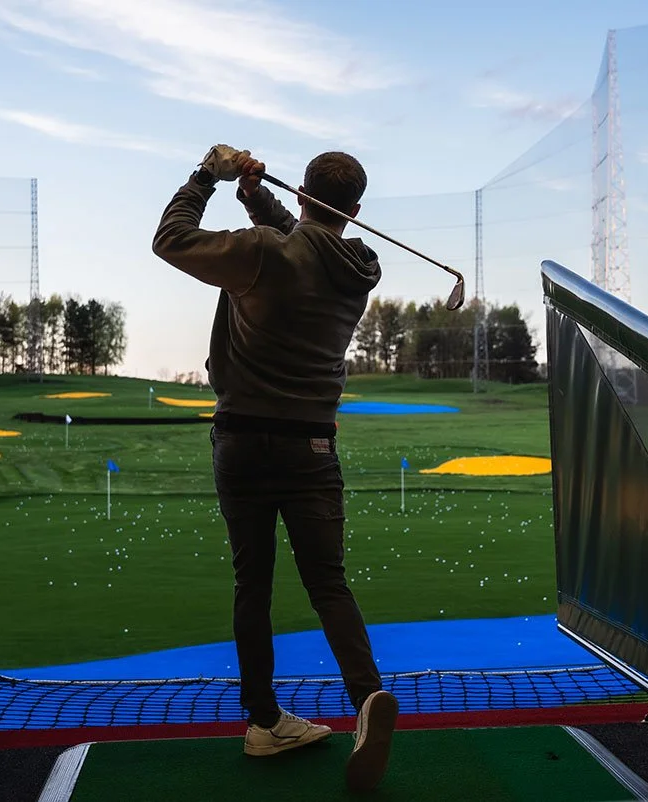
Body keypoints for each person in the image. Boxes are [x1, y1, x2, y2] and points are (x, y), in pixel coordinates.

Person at [152, 145, 399, 792]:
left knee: (252, 584)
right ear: (355, 210)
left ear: (302, 194)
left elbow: (170, 240)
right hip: (312, 448)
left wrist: (208, 176)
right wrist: (255, 195)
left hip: (242, 442)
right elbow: (309, 243)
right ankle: (367, 698)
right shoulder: (360, 268)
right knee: (328, 583)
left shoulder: (263, 250)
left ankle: (264, 721)